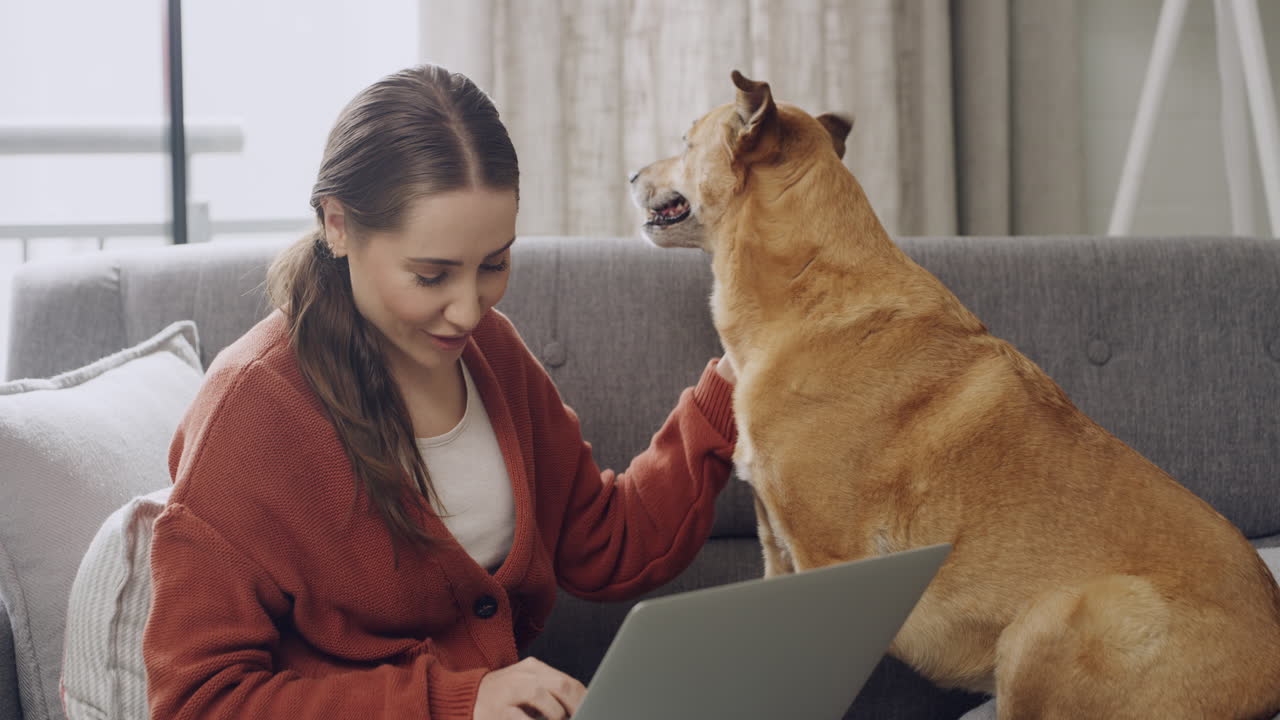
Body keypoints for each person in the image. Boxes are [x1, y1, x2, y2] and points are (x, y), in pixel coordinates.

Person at [141, 64, 737, 720]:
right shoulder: (251, 410)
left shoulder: (493, 355)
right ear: (336, 225)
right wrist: (457, 701)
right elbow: (196, 703)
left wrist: (738, 382)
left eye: (495, 265)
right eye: (431, 276)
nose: (468, 310)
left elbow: (606, 544)